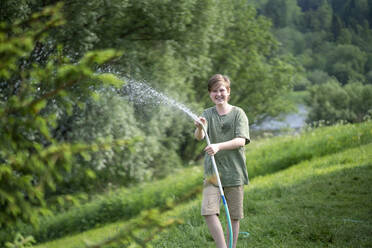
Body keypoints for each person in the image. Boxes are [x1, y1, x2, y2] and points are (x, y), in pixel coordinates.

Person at [194, 74, 250, 248]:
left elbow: (241, 140)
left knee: (233, 216)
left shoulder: (238, 113)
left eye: (222, 90)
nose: (218, 94)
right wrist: (199, 127)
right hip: (213, 174)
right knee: (208, 211)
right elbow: (199, 137)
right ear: (210, 94)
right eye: (214, 91)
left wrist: (218, 146)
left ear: (228, 91)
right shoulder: (207, 114)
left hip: (234, 173)